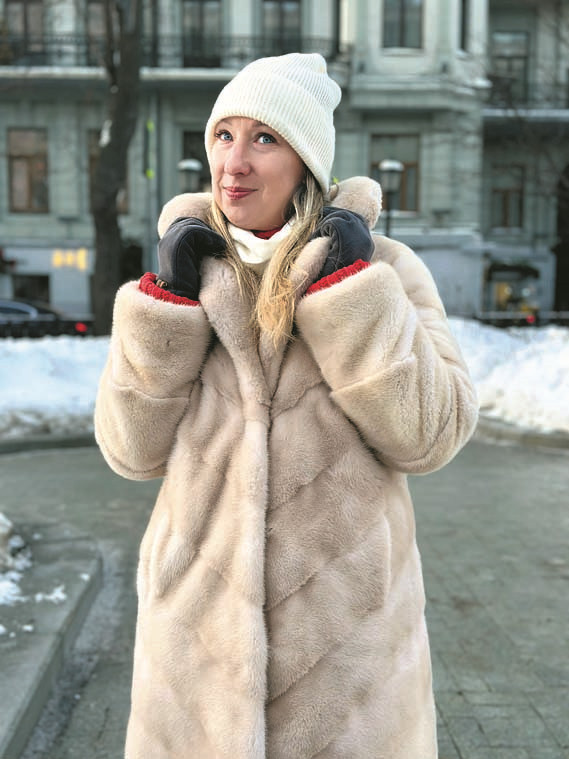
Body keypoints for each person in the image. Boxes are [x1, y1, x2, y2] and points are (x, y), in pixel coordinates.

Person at [95, 52, 478, 759]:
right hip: (194, 670)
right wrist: (168, 308)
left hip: (347, 678)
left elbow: (431, 435)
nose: (233, 162)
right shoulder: (186, 272)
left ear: (306, 162)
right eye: (223, 135)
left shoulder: (386, 271)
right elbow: (129, 452)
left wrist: (350, 291)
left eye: (264, 138)